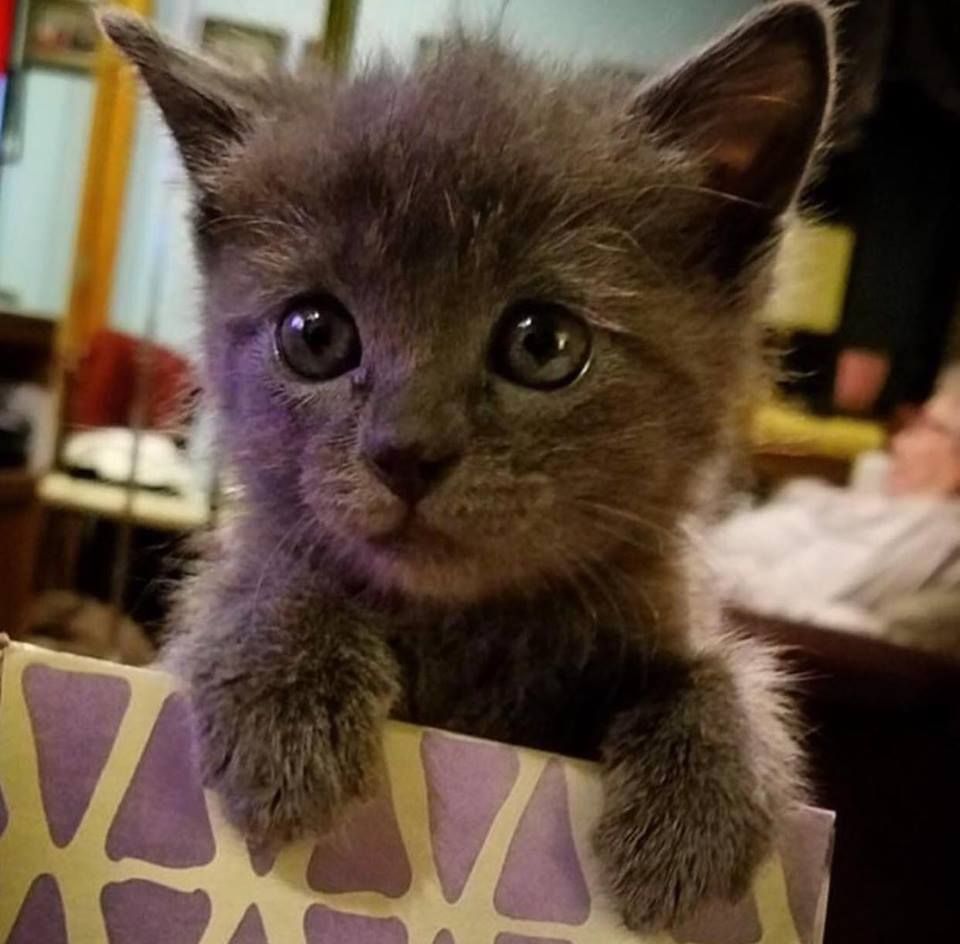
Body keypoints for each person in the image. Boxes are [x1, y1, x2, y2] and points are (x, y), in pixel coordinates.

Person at [711, 367, 960, 656]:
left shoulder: (934, 533)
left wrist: (705, 574)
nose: (900, 443)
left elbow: (812, 609)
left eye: (926, 427)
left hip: (736, 625)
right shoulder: (875, 506)